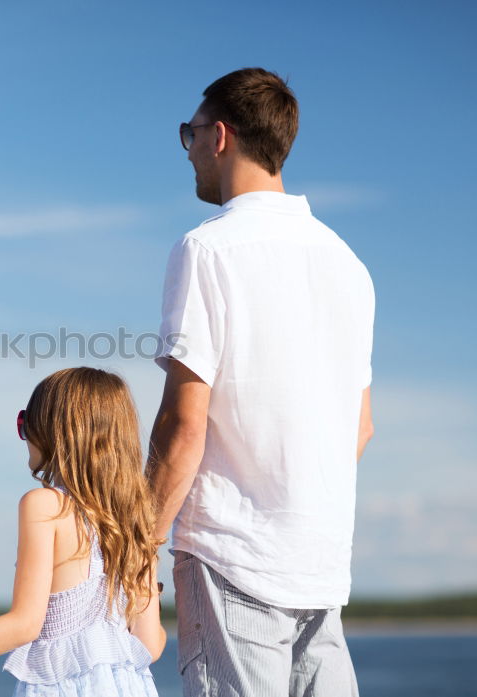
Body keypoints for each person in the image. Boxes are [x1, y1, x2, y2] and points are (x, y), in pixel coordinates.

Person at [147, 67, 375, 696]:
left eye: (190, 134)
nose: (188, 149)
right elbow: (361, 426)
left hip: (232, 559)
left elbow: (183, 422)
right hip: (321, 565)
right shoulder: (348, 264)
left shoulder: (207, 249)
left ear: (219, 136)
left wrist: (137, 541)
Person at [0, 367, 166, 697]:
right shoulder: (137, 521)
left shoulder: (45, 506)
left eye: (25, 423)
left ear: (53, 431)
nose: (23, 434)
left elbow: (24, 624)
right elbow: (150, 644)